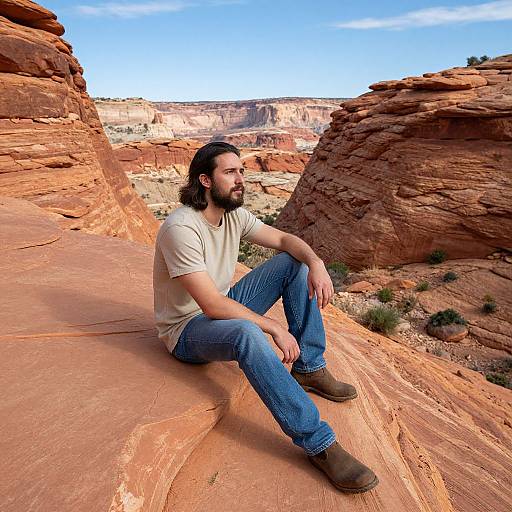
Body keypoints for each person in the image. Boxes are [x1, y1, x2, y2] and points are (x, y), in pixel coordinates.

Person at [153, 142, 379, 493]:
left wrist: (316, 263)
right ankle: (319, 443)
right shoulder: (180, 228)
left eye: (241, 170)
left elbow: (286, 239)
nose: (240, 178)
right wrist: (273, 327)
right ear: (206, 180)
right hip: (187, 331)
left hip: (223, 307)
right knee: (247, 333)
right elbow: (211, 305)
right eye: (230, 172)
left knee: (294, 263)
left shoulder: (233, 215)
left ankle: (309, 367)